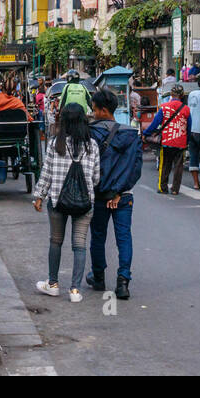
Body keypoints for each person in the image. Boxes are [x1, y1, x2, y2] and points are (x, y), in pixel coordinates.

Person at [32, 103, 100, 303]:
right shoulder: (92, 145)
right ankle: (75, 290)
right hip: (84, 203)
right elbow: (96, 178)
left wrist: (39, 196)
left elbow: (46, 173)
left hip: (57, 200)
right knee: (79, 245)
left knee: (55, 241)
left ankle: (52, 284)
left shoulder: (55, 143)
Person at [88, 87, 142, 300]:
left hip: (100, 194)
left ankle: (99, 276)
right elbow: (135, 169)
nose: (92, 112)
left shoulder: (92, 133)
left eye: (94, 109)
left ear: (102, 110)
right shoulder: (131, 133)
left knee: (98, 237)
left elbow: (88, 165)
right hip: (124, 195)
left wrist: (108, 191)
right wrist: (119, 192)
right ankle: (123, 281)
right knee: (124, 237)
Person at [144, 86, 189, 195]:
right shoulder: (186, 109)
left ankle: (163, 188)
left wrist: (146, 133)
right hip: (180, 142)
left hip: (167, 141)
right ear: (182, 96)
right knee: (178, 167)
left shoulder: (164, 107)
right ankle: (175, 189)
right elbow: (189, 127)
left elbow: (155, 123)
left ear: (171, 95)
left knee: (164, 166)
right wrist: (187, 140)